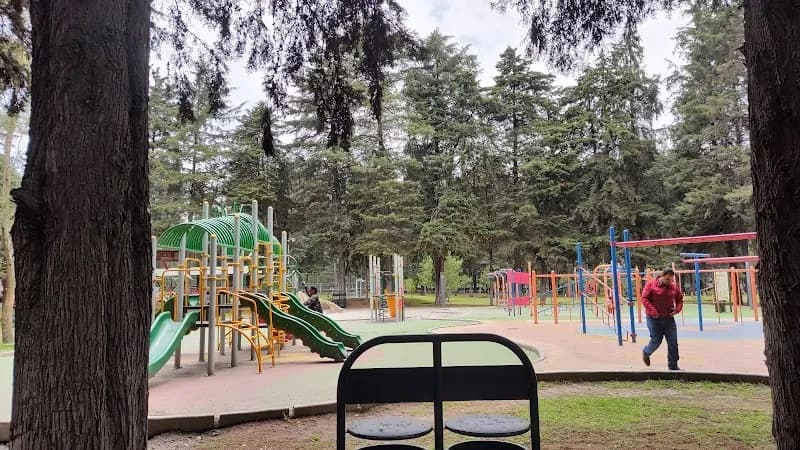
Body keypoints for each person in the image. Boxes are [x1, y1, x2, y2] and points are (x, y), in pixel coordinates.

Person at [641, 268, 684, 370]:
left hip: (668, 319)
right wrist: (653, 311)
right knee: (656, 340)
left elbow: (680, 299)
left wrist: (677, 310)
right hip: (653, 319)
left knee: (673, 342)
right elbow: (644, 298)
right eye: (667, 280)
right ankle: (646, 352)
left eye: (671, 280)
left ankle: (673, 365)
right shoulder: (651, 284)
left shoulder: (673, 287)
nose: (670, 282)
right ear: (661, 277)